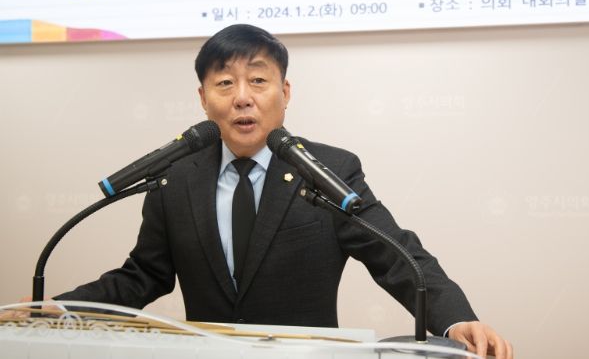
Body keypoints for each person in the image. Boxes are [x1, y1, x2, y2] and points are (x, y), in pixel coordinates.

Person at [38, 24, 512, 357]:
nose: (242, 97)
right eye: (225, 83)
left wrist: (456, 320)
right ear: (203, 99)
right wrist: (62, 308)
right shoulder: (176, 177)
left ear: (285, 93)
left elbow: (397, 256)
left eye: (258, 81)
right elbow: (143, 275)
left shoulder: (329, 170)